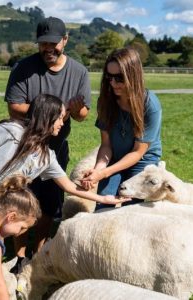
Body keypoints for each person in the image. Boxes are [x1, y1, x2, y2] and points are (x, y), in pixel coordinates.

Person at [0, 94, 127, 220]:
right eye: (59, 118)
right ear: (47, 118)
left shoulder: (46, 157)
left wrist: (103, 198)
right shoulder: (13, 131)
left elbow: (69, 187)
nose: (62, 123)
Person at [4, 16, 92, 259]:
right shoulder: (24, 68)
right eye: (43, 43)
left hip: (56, 146)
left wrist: (75, 109)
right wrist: (57, 110)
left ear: (65, 40)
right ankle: (19, 256)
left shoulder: (79, 72)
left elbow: (83, 115)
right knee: (19, 200)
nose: (48, 49)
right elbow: (14, 107)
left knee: (50, 204)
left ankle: (38, 252)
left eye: (54, 43)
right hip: (24, 146)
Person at [82, 47, 162, 210]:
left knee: (131, 210)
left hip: (142, 160)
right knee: (104, 204)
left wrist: (104, 173)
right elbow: (106, 145)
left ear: (133, 76)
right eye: (109, 77)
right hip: (115, 155)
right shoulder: (105, 101)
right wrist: (98, 170)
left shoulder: (150, 105)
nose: (112, 83)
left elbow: (138, 152)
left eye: (119, 78)